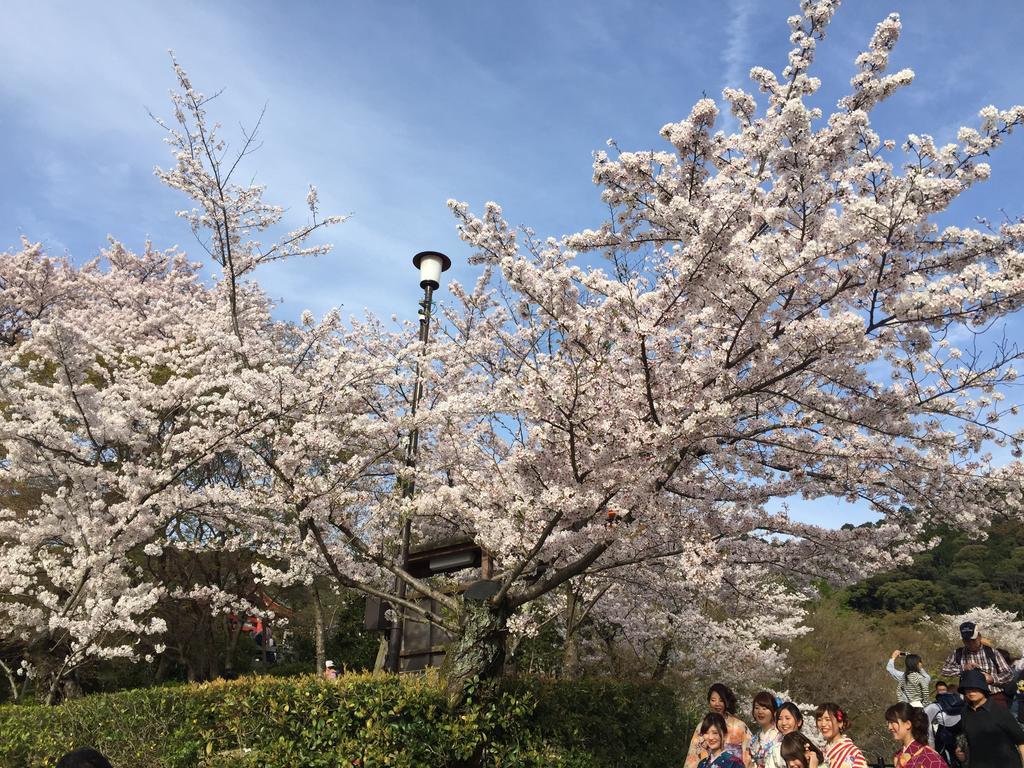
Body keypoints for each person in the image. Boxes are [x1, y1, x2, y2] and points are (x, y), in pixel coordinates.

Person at [958, 668, 1024, 767]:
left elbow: (1021, 741)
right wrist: (960, 749)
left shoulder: (999, 711)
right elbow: (968, 737)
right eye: (967, 688)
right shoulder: (964, 712)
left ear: (983, 688)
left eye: (975, 687)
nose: (971, 692)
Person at [940, 621, 1014, 707]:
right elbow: (944, 670)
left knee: (1001, 720)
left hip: (993, 696)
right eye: (967, 641)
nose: (970, 643)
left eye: (973, 640)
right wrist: (963, 668)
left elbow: (1009, 674)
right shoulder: (958, 653)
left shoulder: (992, 652)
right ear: (963, 640)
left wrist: (992, 679)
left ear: (979, 637)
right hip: (970, 699)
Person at [684, 683, 751, 768]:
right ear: (709, 702)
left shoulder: (740, 726)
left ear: (727, 702)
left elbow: (749, 756)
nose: (717, 704)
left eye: (721, 700)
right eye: (713, 700)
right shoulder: (702, 726)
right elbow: (693, 756)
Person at [884, 701, 947, 767]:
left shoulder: (929, 757)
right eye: (888, 723)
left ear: (908, 724)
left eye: (892, 722)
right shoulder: (899, 755)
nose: (889, 727)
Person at [815, 703, 867, 768]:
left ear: (840, 723)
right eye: (819, 720)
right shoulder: (820, 752)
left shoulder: (852, 752)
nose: (823, 724)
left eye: (828, 719)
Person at [924, 682, 963, 765]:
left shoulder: (933, 707)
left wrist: (931, 748)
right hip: (961, 736)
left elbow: (926, 728)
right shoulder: (962, 702)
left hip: (944, 736)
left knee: (942, 758)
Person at [766, 702, 806, 768]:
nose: (783, 723)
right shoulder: (776, 749)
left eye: (787, 718)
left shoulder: (806, 745)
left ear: (799, 722)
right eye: (780, 719)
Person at [749, 691, 781, 768]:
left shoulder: (780, 736)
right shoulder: (755, 738)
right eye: (756, 708)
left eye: (764, 708)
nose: (760, 712)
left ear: (773, 711)